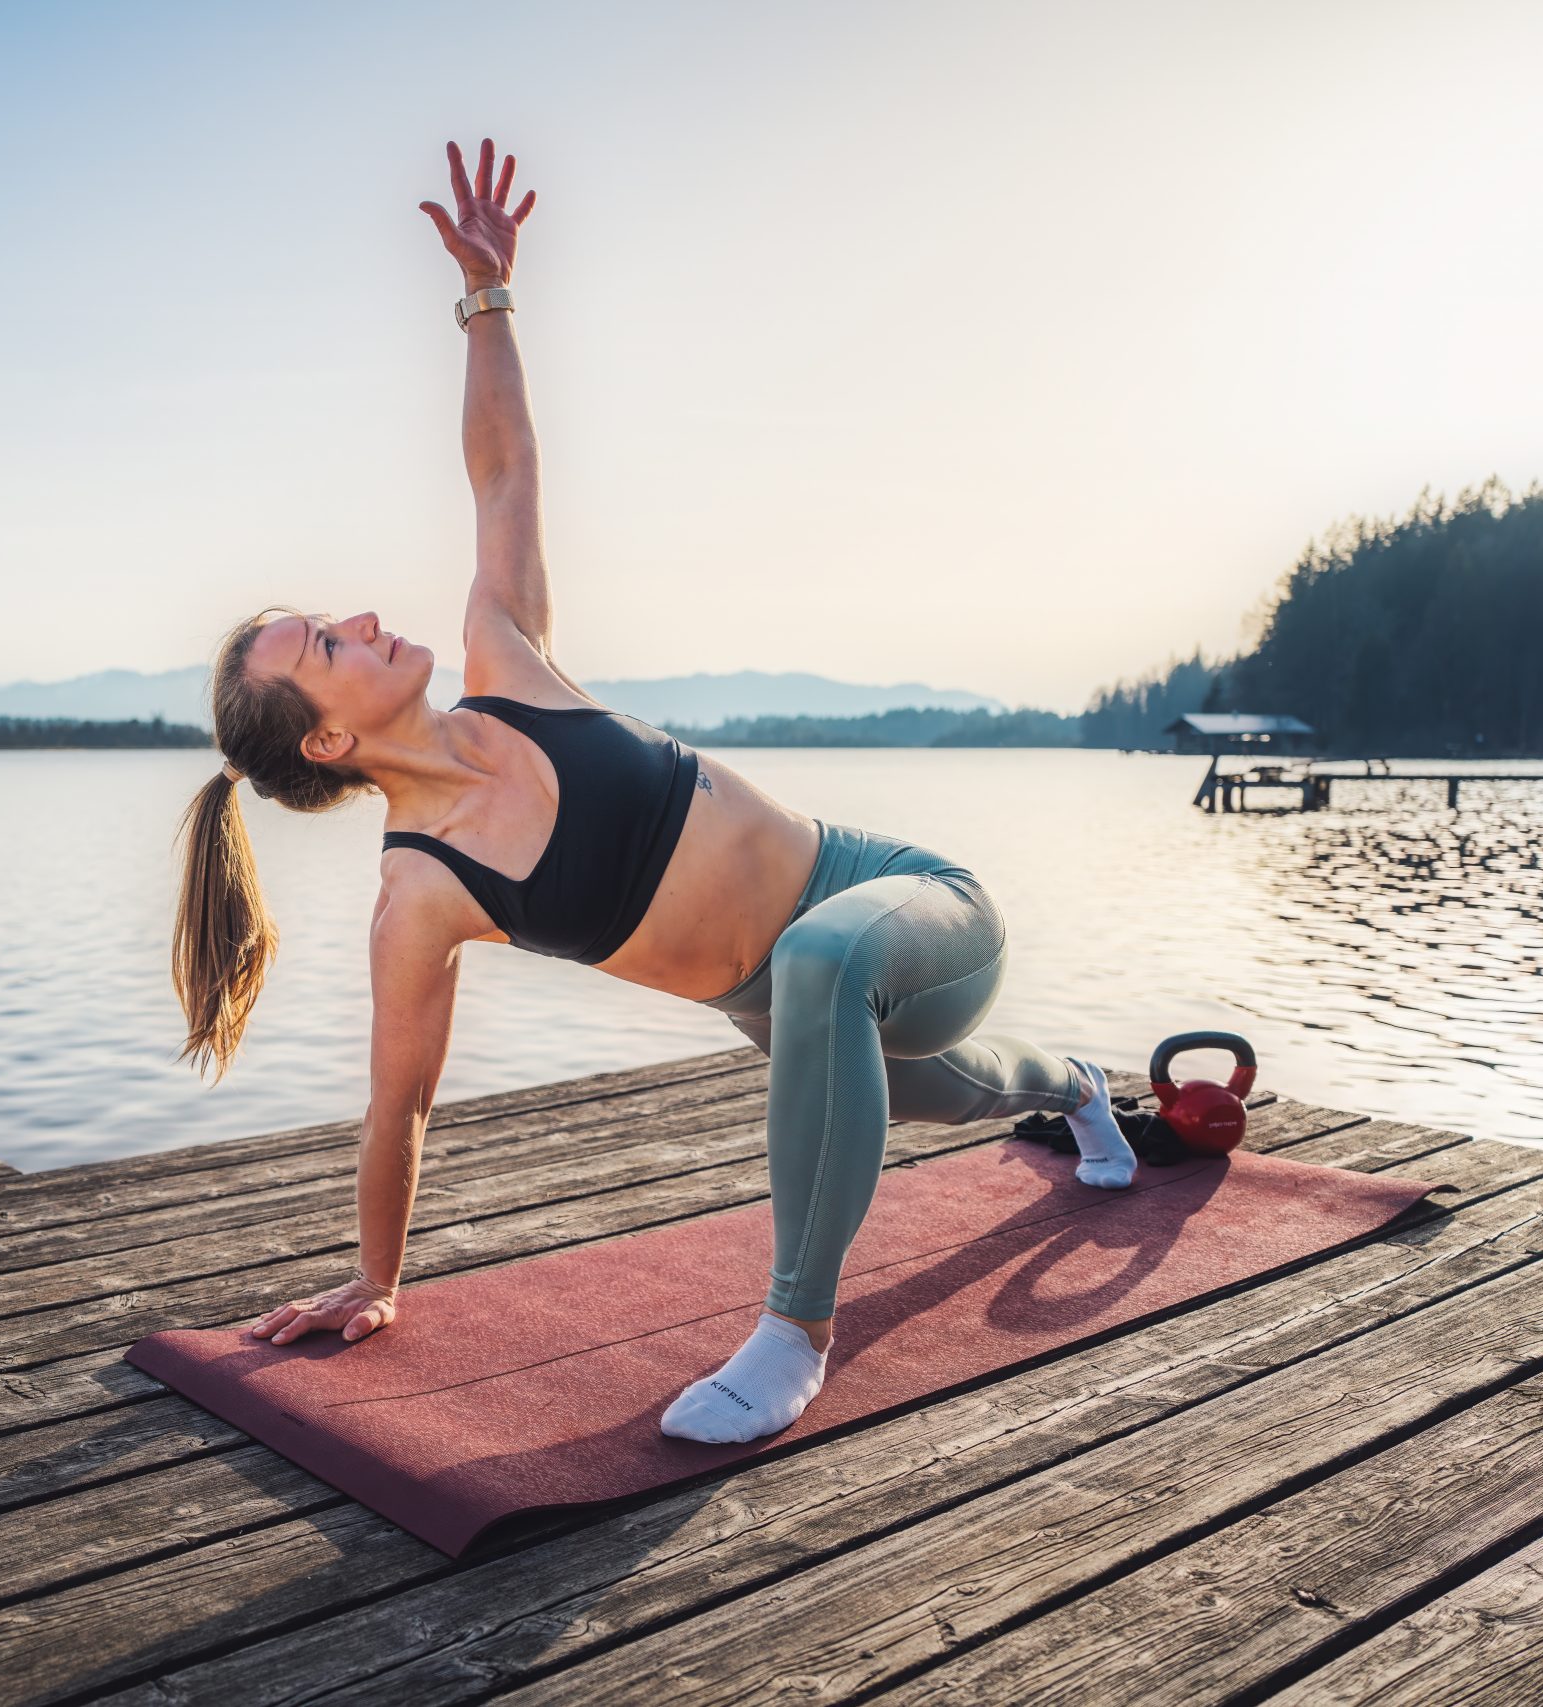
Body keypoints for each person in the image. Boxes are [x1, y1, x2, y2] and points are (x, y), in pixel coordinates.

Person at [172, 138, 1136, 1446]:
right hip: (792, 1006)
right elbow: (399, 1103)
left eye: (328, 617)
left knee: (822, 956)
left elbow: (503, 470)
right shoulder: (421, 895)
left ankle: (793, 1333)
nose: (355, 619)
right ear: (329, 746)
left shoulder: (505, 656)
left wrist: (486, 299)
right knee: (956, 1086)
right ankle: (1080, 1088)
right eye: (324, 649)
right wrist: (378, 1280)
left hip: (893, 898)